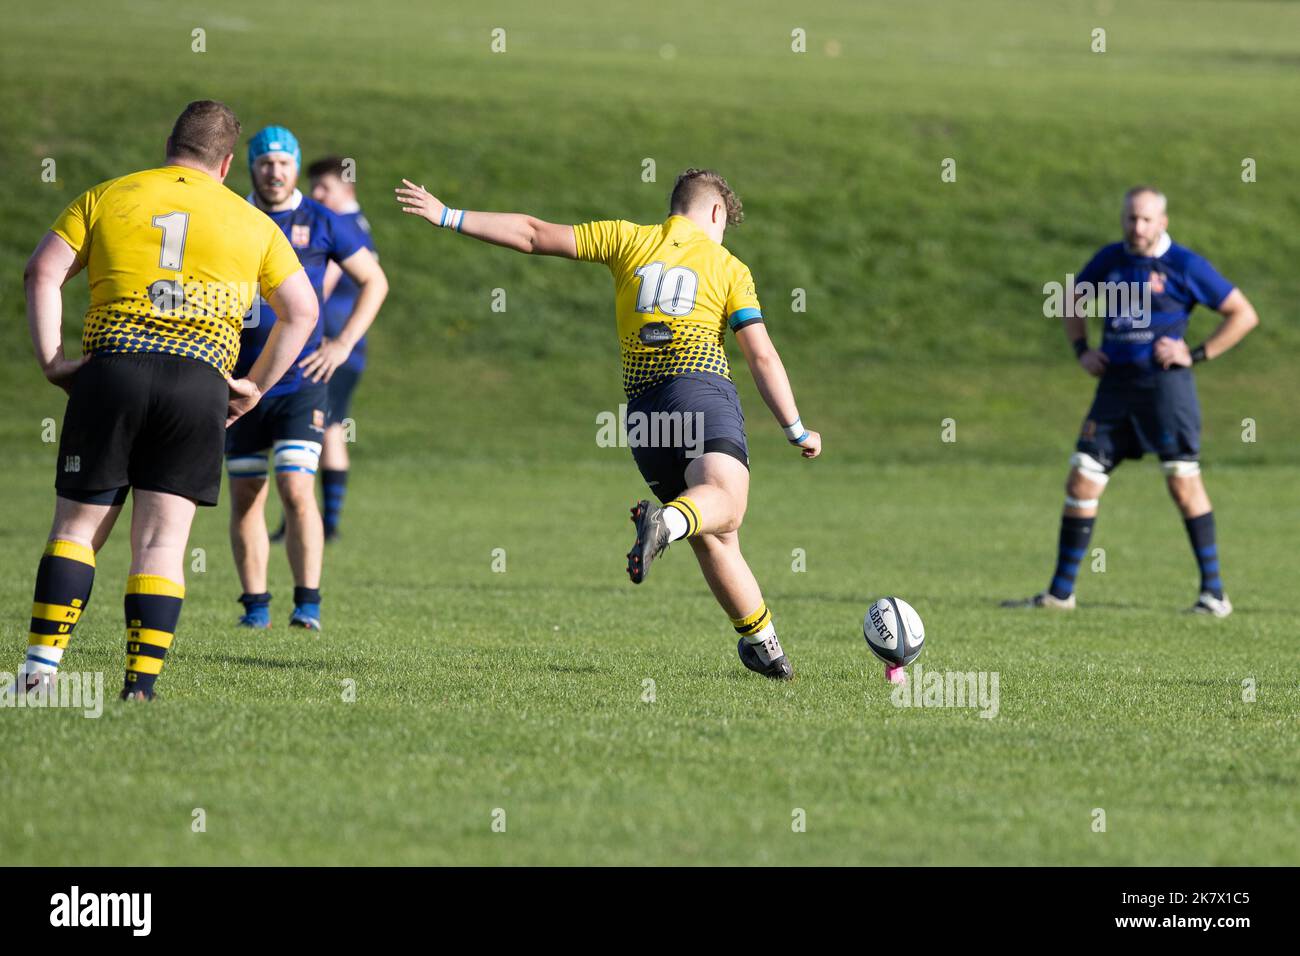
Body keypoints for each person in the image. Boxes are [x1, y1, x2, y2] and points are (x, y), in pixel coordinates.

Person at [396, 168, 821, 679]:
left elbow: (533, 233)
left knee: (712, 533)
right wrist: (796, 429)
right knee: (725, 506)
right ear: (715, 213)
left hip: (644, 415)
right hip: (698, 389)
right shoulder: (729, 266)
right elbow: (763, 357)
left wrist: (448, 215)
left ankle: (763, 644)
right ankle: (664, 523)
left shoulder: (626, 239)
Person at [10, 100, 317, 701]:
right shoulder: (255, 223)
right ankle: (140, 687)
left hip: (113, 369)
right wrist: (254, 386)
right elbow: (302, 312)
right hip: (198, 382)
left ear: (170, 143)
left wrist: (52, 361)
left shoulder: (108, 195)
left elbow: (40, 272)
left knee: (76, 529)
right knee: (161, 542)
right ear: (228, 163)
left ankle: (40, 672)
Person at [1004, 186, 1259, 616]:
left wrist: (1194, 354)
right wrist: (1081, 350)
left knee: (1183, 483)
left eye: (1145, 219)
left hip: (1166, 391)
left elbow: (1243, 313)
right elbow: (1071, 300)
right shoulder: (1110, 260)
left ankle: (1214, 595)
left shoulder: (1184, 265)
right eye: (1130, 218)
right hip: (1115, 391)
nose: (1136, 227)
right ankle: (1060, 595)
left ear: (1163, 221)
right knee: (1081, 479)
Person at [227, 128, 388, 630]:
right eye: (265, 162)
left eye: (283, 162)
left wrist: (341, 345)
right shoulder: (230, 216)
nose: (274, 171)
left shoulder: (321, 220)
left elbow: (374, 281)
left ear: (294, 168)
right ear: (250, 166)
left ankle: (308, 605)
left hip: (300, 382)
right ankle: (255, 609)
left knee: (296, 487)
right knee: (246, 494)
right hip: (237, 382)